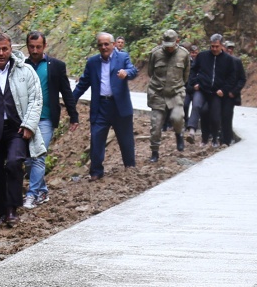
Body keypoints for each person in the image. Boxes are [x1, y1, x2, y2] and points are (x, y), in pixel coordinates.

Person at [0, 33, 45, 226]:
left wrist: (28, 125)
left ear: (11, 49)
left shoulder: (24, 71)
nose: (1, 53)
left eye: (4, 49)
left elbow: (36, 99)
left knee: (14, 163)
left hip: (17, 128)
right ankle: (0, 211)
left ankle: (12, 210)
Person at [71, 32, 139, 178]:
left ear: (113, 45)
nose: (103, 47)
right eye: (100, 45)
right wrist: (71, 100)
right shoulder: (93, 62)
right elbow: (83, 83)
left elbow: (133, 71)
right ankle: (96, 172)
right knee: (96, 138)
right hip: (101, 106)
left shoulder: (123, 57)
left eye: (106, 44)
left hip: (119, 105)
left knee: (125, 138)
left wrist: (126, 73)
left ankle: (130, 167)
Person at [22, 31, 78, 208]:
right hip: (25, 119)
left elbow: (66, 91)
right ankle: (42, 190)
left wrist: (73, 115)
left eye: (38, 46)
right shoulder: (22, 66)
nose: (35, 50)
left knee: (39, 155)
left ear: (44, 46)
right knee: (27, 159)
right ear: (27, 46)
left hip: (46, 118)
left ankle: (31, 195)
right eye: (32, 47)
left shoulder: (56, 66)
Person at [145, 29, 189, 161]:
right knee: (156, 125)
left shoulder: (184, 54)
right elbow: (150, 72)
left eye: (171, 45)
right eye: (166, 45)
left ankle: (179, 135)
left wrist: (176, 86)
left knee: (177, 117)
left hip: (175, 92)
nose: (169, 48)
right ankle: (155, 151)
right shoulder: (155, 53)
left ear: (177, 41)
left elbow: (185, 75)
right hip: (157, 93)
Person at [187, 34, 225, 145]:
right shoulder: (202, 56)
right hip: (202, 89)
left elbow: (230, 77)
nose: (214, 49)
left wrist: (224, 89)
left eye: (217, 46)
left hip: (215, 92)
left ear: (221, 46)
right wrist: (194, 83)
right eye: (212, 46)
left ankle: (214, 139)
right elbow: (193, 70)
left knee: (214, 116)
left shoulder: (227, 60)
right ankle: (192, 131)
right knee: (197, 106)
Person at [216, 37, 247, 146]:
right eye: (228, 48)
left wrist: (234, 91)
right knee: (216, 116)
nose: (230, 50)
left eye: (231, 48)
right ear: (223, 47)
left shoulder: (236, 61)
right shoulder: (217, 60)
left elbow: (242, 79)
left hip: (230, 95)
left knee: (227, 116)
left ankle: (227, 140)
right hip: (217, 94)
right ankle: (218, 138)